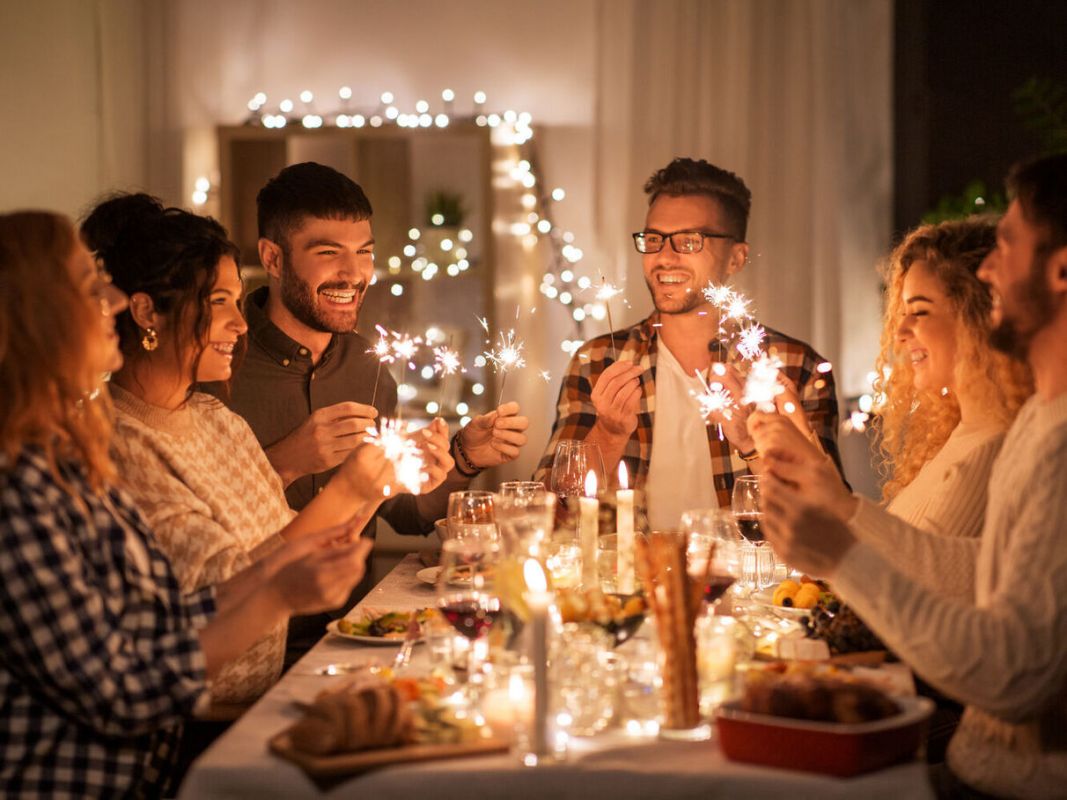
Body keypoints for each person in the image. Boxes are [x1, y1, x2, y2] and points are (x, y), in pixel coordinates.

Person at [0, 211, 376, 797]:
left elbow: (166, 620)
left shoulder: (74, 456)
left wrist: (363, 497)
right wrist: (280, 585)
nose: (112, 299)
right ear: (31, 315)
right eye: (84, 283)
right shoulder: (25, 485)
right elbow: (119, 689)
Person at [751, 153, 1067, 798]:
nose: (986, 270)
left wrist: (841, 556)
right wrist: (842, 508)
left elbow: (1015, 676)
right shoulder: (1042, 418)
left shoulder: (1055, 443)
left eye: (1005, 246)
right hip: (972, 768)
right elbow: (980, 574)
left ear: (1060, 270)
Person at [81, 193, 450, 704]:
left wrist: (380, 484)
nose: (238, 323)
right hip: (200, 722)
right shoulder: (116, 443)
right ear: (145, 312)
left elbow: (292, 541)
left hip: (269, 694)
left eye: (237, 300)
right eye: (218, 302)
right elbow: (229, 589)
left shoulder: (217, 420)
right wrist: (349, 486)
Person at [218, 162, 529, 660]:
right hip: (244, 643)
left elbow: (404, 513)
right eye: (329, 253)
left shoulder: (368, 364)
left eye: (364, 252)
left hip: (354, 634)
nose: (355, 274)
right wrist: (289, 459)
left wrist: (463, 459)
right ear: (273, 258)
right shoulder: (219, 360)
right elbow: (200, 528)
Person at [533, 157, 842, 527]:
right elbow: (549, 515)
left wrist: (753, 444)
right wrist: (609, 434)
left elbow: (829, 521)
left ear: (736, 258)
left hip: (754, 584)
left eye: (689, 241)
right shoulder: (598, 361)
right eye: (653, 239)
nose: (664, 257)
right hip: (629, 581)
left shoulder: (791, 366)